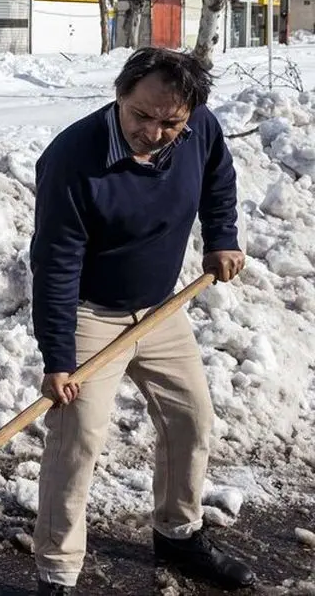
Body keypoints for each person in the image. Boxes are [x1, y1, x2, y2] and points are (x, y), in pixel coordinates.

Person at [28, 47, 254, 595]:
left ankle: (177, 534)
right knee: (77, 440)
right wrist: (59, 358)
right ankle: (56, 574)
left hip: (160, 310)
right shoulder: (72, 159)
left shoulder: (199, 128)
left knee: (191, 420)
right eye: (141, 116)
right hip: (90, 314)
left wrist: (221, 236)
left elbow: (218, 180)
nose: (153, 132)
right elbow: (55, 263)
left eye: (170, 122)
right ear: (120, 96)